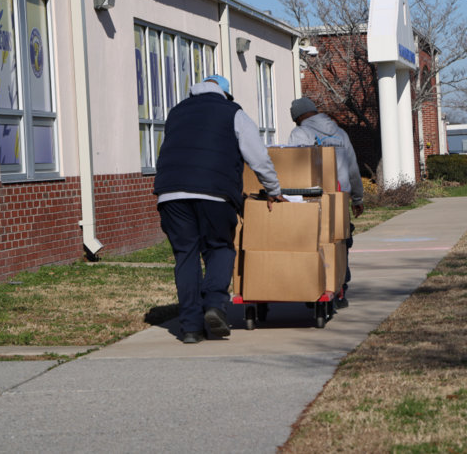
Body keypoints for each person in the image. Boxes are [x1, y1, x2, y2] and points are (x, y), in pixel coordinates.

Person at [154, 74, 286, 344]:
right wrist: (273, 190)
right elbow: (258, 156)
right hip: (215, 193)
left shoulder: (176, 112)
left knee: (186, 256)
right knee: (219, 247)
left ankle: (190, 327)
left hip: (170, 192)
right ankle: (214, 305)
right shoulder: (233, 112)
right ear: (226, 93)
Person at [287, 97, 364, 307]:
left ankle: (314, 288)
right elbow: (353, 169)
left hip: (311, 199)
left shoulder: (300, 133)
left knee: (311, 243)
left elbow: (295, 166)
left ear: (298, 116)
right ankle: (340, 290)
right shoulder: (340, 133)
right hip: (340, 198)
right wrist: (357, 198)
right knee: (340, 243)